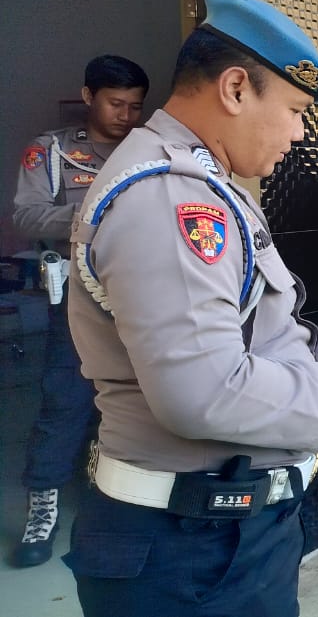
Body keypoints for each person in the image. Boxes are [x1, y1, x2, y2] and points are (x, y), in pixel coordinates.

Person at [62, 0, 318, 617]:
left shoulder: (199, 181)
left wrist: (309, 357)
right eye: (294, 109)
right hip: (193, 550)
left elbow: (226, 334)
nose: (300, 132)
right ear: (235, 89)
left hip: (212, 538)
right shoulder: (173, 198)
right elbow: (201, 391)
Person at [8, 55, 149, 567]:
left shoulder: (150, 150)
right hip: (77, 299)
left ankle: (116, 502)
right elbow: (26, 216)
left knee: (139, 403)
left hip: (141, 296)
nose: (126, 116)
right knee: (64, 401)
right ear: (89, 96)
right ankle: (42, 510)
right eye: (116, 103)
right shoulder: (53, 151)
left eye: (135, 106)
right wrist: (97, 210)